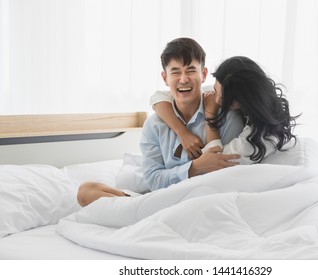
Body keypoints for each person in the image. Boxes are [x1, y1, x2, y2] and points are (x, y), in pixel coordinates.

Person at [77, 38, 244, 207]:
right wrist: (195, 167)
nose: (184, 79)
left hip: (204, 201)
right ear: (165, 77)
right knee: (86, 192)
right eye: (176, 72)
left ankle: (143, 212)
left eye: (191, 70)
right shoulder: (154, 125)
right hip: (161, 201)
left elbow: (225, 176)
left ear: (204, 75)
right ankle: (142, 210)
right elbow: (153, 179)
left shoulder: (227, 117)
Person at [151, 55, 300, 165]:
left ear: (243, 100)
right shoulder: (225, 89)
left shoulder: (258, 138)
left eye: (222, 100)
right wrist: (182, 133)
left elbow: (215, 159)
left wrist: (210, 113)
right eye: (215, 90)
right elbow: (158, 97)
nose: (215, 100)